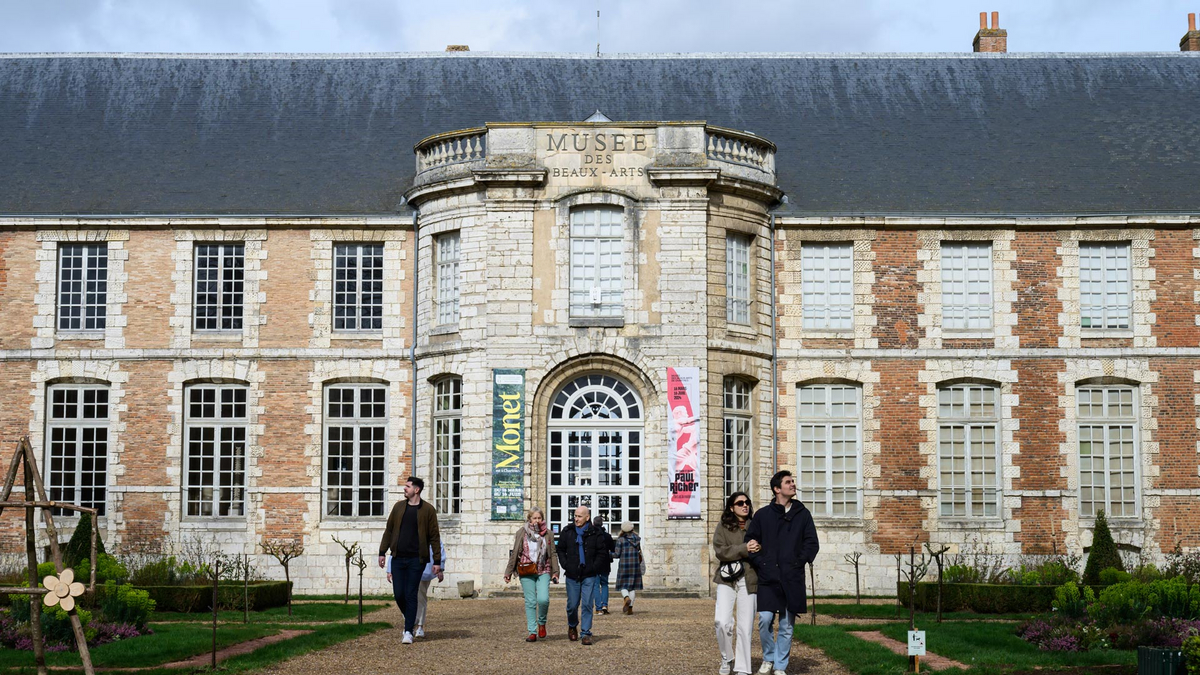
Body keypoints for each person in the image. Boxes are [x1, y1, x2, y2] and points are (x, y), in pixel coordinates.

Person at [747, 470, 819, 675]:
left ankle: (780, 665)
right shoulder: (763, 515)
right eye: (788, 482)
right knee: (765, 620)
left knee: (787, 625)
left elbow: (812, 543)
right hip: (768, 578)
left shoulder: (803, 514)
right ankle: (768, 658)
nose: (793, 485)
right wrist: (762, 563)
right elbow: (750, 541)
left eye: (793, 481)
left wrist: (798, 562)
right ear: (777, 489)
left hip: (792, 577)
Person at [378, 476, 441, 645]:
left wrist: (437, 561)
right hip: (398, 558)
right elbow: (389, 530)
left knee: (411, 594)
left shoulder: (428, 510)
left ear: (416, 489)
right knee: (399, 594)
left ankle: (408, 631)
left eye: (407, 486)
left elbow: (435, 537)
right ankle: (411, 618)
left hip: (416, 560)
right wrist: (382, 552)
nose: (404, 488)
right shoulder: (398, 507)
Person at [713, 492, 760, 675]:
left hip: (749, 578)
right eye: (740, 503)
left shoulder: (756, 525)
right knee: (721, 621)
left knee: (745, 626)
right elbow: (720, 552)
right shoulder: (723, 526)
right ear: (731, 507)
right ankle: (727, 657)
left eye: (747, 502)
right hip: (727, 578)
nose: (745, 505)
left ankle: (743, 669)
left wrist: (757, 548)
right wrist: (744, 548)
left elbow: (762, 548)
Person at [503, 506, 560, 642]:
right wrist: (508, 572)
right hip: (526, 569)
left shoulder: (548, 534)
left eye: (539, 518)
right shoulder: (521, 532)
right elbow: (515, 552)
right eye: (534, 518)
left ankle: (541, 622)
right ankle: (532, 631)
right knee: (530, 601)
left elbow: (552, 554)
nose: (537, 520)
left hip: (543, 569)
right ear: (529, 519)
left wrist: (556, 572)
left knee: (543, 599)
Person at [555, 505, 607, 645]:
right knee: (572, 605)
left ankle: (585, 633)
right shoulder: (568, 531)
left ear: (587, 517)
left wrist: (594, 567)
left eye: (579, 516)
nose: (576, 518)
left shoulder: (595, 533)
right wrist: (566, 564)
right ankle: (572, 626)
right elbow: (560, 549)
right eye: (575, 515)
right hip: (572, 574)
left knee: (587, 604)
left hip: (589, 574)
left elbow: (602, 552)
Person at [385, 542, 444, 638]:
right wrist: (390, 569)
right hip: (404, 568)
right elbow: (395, 548)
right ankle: (409, 624)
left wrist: (440, 567)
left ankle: (419, 626)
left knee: (420, 597)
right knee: (404, 596)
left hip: (423, 568)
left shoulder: (427, 528)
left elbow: (438, 546)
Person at [613, 521, 644, 614]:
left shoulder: (620, 540)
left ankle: (626, 598)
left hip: (624, 565)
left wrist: (608, 554)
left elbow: (617, 554)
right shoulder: (637, 539)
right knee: (632, 587)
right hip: (635, 565)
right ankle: (630, 608)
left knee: (623, 585)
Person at [591, 515, 615, 615]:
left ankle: (599, 608)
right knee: (604, 584)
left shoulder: (591, 535)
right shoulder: (607, 536)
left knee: (596, 585)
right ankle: (604, 605)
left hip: (595, 562)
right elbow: (613, 549)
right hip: (605, 562)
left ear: (593, 524)